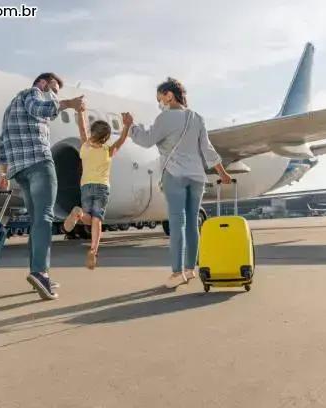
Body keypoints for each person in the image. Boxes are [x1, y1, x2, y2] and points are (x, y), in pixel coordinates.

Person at [123, 77, 232, 288]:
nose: (159, 103)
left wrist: (131, 126)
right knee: (192, 224)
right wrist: (222, 173)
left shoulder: (165, 118)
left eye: (160, 98)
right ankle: (191, 269)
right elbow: (207, 150)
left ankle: (176, 273)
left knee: (177, 223)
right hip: (197, 177)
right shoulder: (197, 118)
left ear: (169, 95)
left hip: (175, 175)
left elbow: (146, 141)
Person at [0, 72, 84, 300]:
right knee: (44, 219)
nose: (55, 95)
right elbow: (40, 109)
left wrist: (4, 174)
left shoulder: (10, 108)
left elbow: (1, 145)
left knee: (36, 222)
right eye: (54, 90)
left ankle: (37, 273)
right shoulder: (33, 93)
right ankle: (40, 272)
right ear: (43, 83)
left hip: (20, 171)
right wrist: (69, 104)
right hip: (39, 164)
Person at [63, 103, 130, 269]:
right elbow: (121, 141)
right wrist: (127, 125)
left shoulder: (85, 146)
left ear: (92, 133)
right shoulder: (108, 150)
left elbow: (82, 128)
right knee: (97, 219)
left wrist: (81, 111)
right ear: (106, 138)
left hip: (86, 186)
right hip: (102, 187)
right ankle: (93, 249)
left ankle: (78, 213)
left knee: (88, 217)